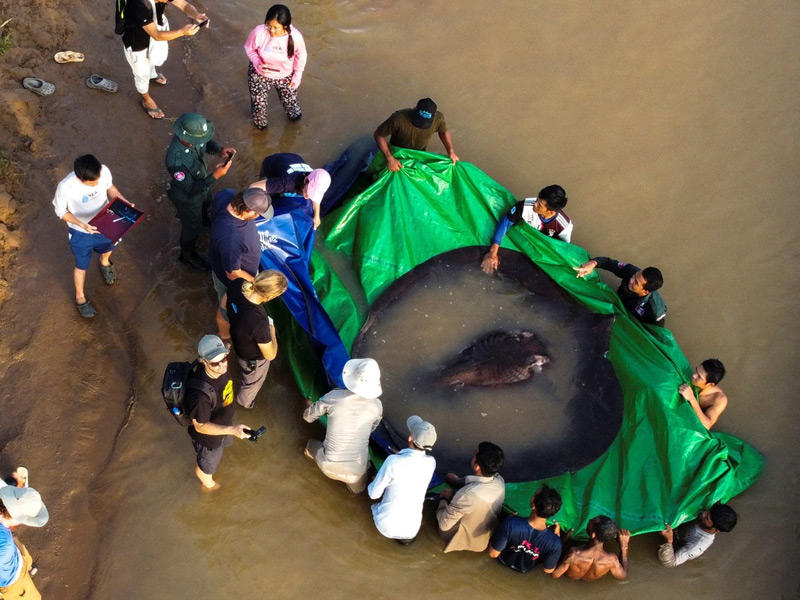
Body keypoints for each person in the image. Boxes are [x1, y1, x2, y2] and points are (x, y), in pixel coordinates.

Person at [52, 154, 132, 318]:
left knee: (111, 245)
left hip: (107, 221)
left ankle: (104, 262)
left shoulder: (103, 171)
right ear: (80, 178)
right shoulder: (65, 187)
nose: (97, 184)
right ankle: (80, 297)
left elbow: (110, 188)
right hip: (81, 232)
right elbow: (61, 212)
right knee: (81, 265)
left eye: (98, 179)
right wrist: (82, 225)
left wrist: (123, 201)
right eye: (92, 183)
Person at [165, 113, 236, 271]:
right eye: (197, 140)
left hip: (203, 184)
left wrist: (219, 150)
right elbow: (190, 189)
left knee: (206, 205)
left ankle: (205, 220)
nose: (200, 141)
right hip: (187, 196)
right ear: (186, 138)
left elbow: (206, 142)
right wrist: (215, 176)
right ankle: (187, 255)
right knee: (191, 227)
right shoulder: (175, 160)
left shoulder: (196, 136)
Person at [302, 358, 384, 493]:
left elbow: (308, 417)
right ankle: (353, 492)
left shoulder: (334, 396)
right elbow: (372, 429)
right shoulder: (377, 406)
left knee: (309, 446)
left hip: (327, 466)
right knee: (356, 491)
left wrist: (308, 406)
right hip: (355, 473)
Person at [120, 0, 206, 119]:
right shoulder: (138, 4)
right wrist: (182, 32)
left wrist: (197, 15)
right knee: (141, 74)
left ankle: (152, 74)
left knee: (152, 60)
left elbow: (184, 5)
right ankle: (146, 100)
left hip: (153, 28)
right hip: (137, 44)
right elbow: (156, 35)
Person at [186, 334, 252, 490]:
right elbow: (200, 426)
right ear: (203, 361)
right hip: (209, 441)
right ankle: (208, 487)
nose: (222, 365)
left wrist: (231, 429)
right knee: (206, 468)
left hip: (224, 424)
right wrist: (231, 430)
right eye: (216, 363)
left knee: (223, 447)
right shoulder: (200, 396)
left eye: (224, 359)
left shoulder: (220, 370)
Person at [209, 185, 273, 341]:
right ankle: (224, 334)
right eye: (258, 213)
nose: (258, 216)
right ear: (249, 210)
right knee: (227, 308)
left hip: (223, 256)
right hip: (232, 280)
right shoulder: (231, 238)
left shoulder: (227, 194)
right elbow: (232, 273)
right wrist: (257, 282)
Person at [222, 270, 288, 409]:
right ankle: (244, 403)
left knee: (243, 369)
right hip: (252, 360)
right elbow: (270, 355)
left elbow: (223, 306)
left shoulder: (237, 284)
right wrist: (272, 331)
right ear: (269, 296)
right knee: (251, 383)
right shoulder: (259, 322)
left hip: (238, 343)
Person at [367, 415, 437, 544]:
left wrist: (373, 479)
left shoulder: (393, 461)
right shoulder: (431, 463)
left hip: (385, 526)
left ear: (410, 438)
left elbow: (373, 494)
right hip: (411, 530)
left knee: (373, 480)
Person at [481, 185, 573, 274]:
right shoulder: (526, 206)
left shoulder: (564, 227)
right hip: (523, 243)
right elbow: (506, 222)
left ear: (551, 211)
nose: (535, 204)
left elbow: (563, 248)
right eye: (537, 199)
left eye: (540, 205)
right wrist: (493, 253)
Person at [244, 4, 307, 129]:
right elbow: (249, 48)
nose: (271, 30)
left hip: (285, 75)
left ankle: (296, 127)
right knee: (258, 108)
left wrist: (297, 76)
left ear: (285, 26)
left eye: (276, 28)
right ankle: (260, 132)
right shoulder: (259, 32)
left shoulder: (295, 37)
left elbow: (301, 56)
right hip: (260, 73)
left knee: (292, 106)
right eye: (269, 26)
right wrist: (257, 62)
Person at [436, 441, 506, 553]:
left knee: (441, 514)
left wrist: (444, 499)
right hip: (483, 541)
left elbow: (444, 525)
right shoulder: (500, 481)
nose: (473, 456)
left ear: (477, 466)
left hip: (462, 539)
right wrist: (459, 482)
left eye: (475, 454)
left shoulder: (466, 495)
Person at [489, 484, 563, 574]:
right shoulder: (555, 543)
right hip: (524, 571)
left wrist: (506, 523)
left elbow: (493, 554)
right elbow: (548, 570)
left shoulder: (510, 524)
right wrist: (555, 539)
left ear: (533, 505)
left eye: (534, 495)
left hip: (500, 563)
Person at [574, 256, 666, 326]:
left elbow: (656, 330)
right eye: (635, 275)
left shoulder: (655, 310)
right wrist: (592, 263)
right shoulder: (631, 271)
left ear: (645, 292)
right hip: (621, 299)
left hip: (633, 318)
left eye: (636, 283)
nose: (631, 280)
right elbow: (609, 263)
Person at [373, 98, 459, 172]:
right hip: (396, 152)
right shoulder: (398, 119)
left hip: (419, 153)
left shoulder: (438, 119)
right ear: (415, 110)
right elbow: (378, 135)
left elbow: (443, 132)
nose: (421, 125)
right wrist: (390, 158)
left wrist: (450, 151)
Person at [0, 474, 49, 600]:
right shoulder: (4, 548)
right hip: (12, 582)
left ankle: (28, 566)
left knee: (25, 557)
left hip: (15, 555)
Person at [257, 153, 332, 229]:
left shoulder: (314, 176)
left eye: (313, 193)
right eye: (309, 191)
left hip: (293, 158)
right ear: (306, 180)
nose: (307, 197)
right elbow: (255, 186)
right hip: (271, 163)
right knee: (265, 193)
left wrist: (316, 216)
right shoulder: (287, 183)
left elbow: (316, 200)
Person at [551, 516, 631, 581]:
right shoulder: (611, 560)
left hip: (569, 579)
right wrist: (624, 547)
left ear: (593, 535)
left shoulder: (574, 554)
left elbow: (555, 574)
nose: (589, 520)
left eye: (591, 522)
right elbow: (623, 575)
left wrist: (562, 541)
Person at [658, 503, 737, 567]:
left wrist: (669, 540)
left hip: (676, 539)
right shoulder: (708, 507)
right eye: (708, 511)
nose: (703, 514)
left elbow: (670, 562)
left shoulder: (697, 546)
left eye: (707, 518)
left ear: (716, 529)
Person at [678, 359, 728, 429]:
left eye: (699, 376)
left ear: (711, 384)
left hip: (691, 427)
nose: (694, 375)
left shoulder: (719, 399)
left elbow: (706, 425)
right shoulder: (690, 378)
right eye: (696, 370)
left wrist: (692, 398)